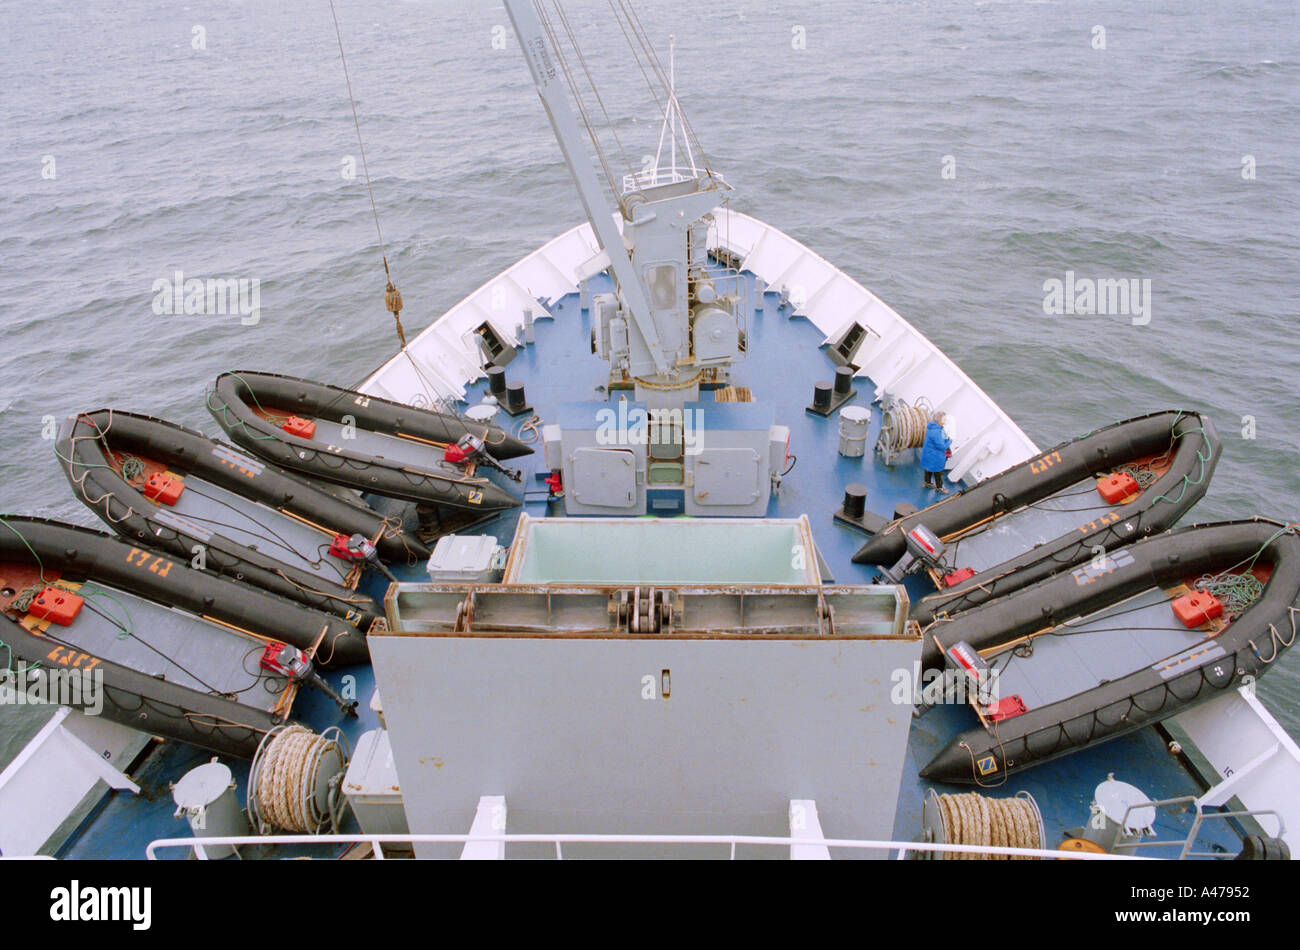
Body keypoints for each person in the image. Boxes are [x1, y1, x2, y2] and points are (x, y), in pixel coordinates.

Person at [920, 411, 952, 494]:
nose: (945, 421)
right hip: (935, 457)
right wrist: (949, 441)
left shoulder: (931, 427)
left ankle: (927, 483)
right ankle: (939, 488)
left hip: (928, 454)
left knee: (928, 469)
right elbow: (941, 447)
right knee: (938, 473)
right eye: (944, 419)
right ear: (939, 420)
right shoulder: (936, 432)